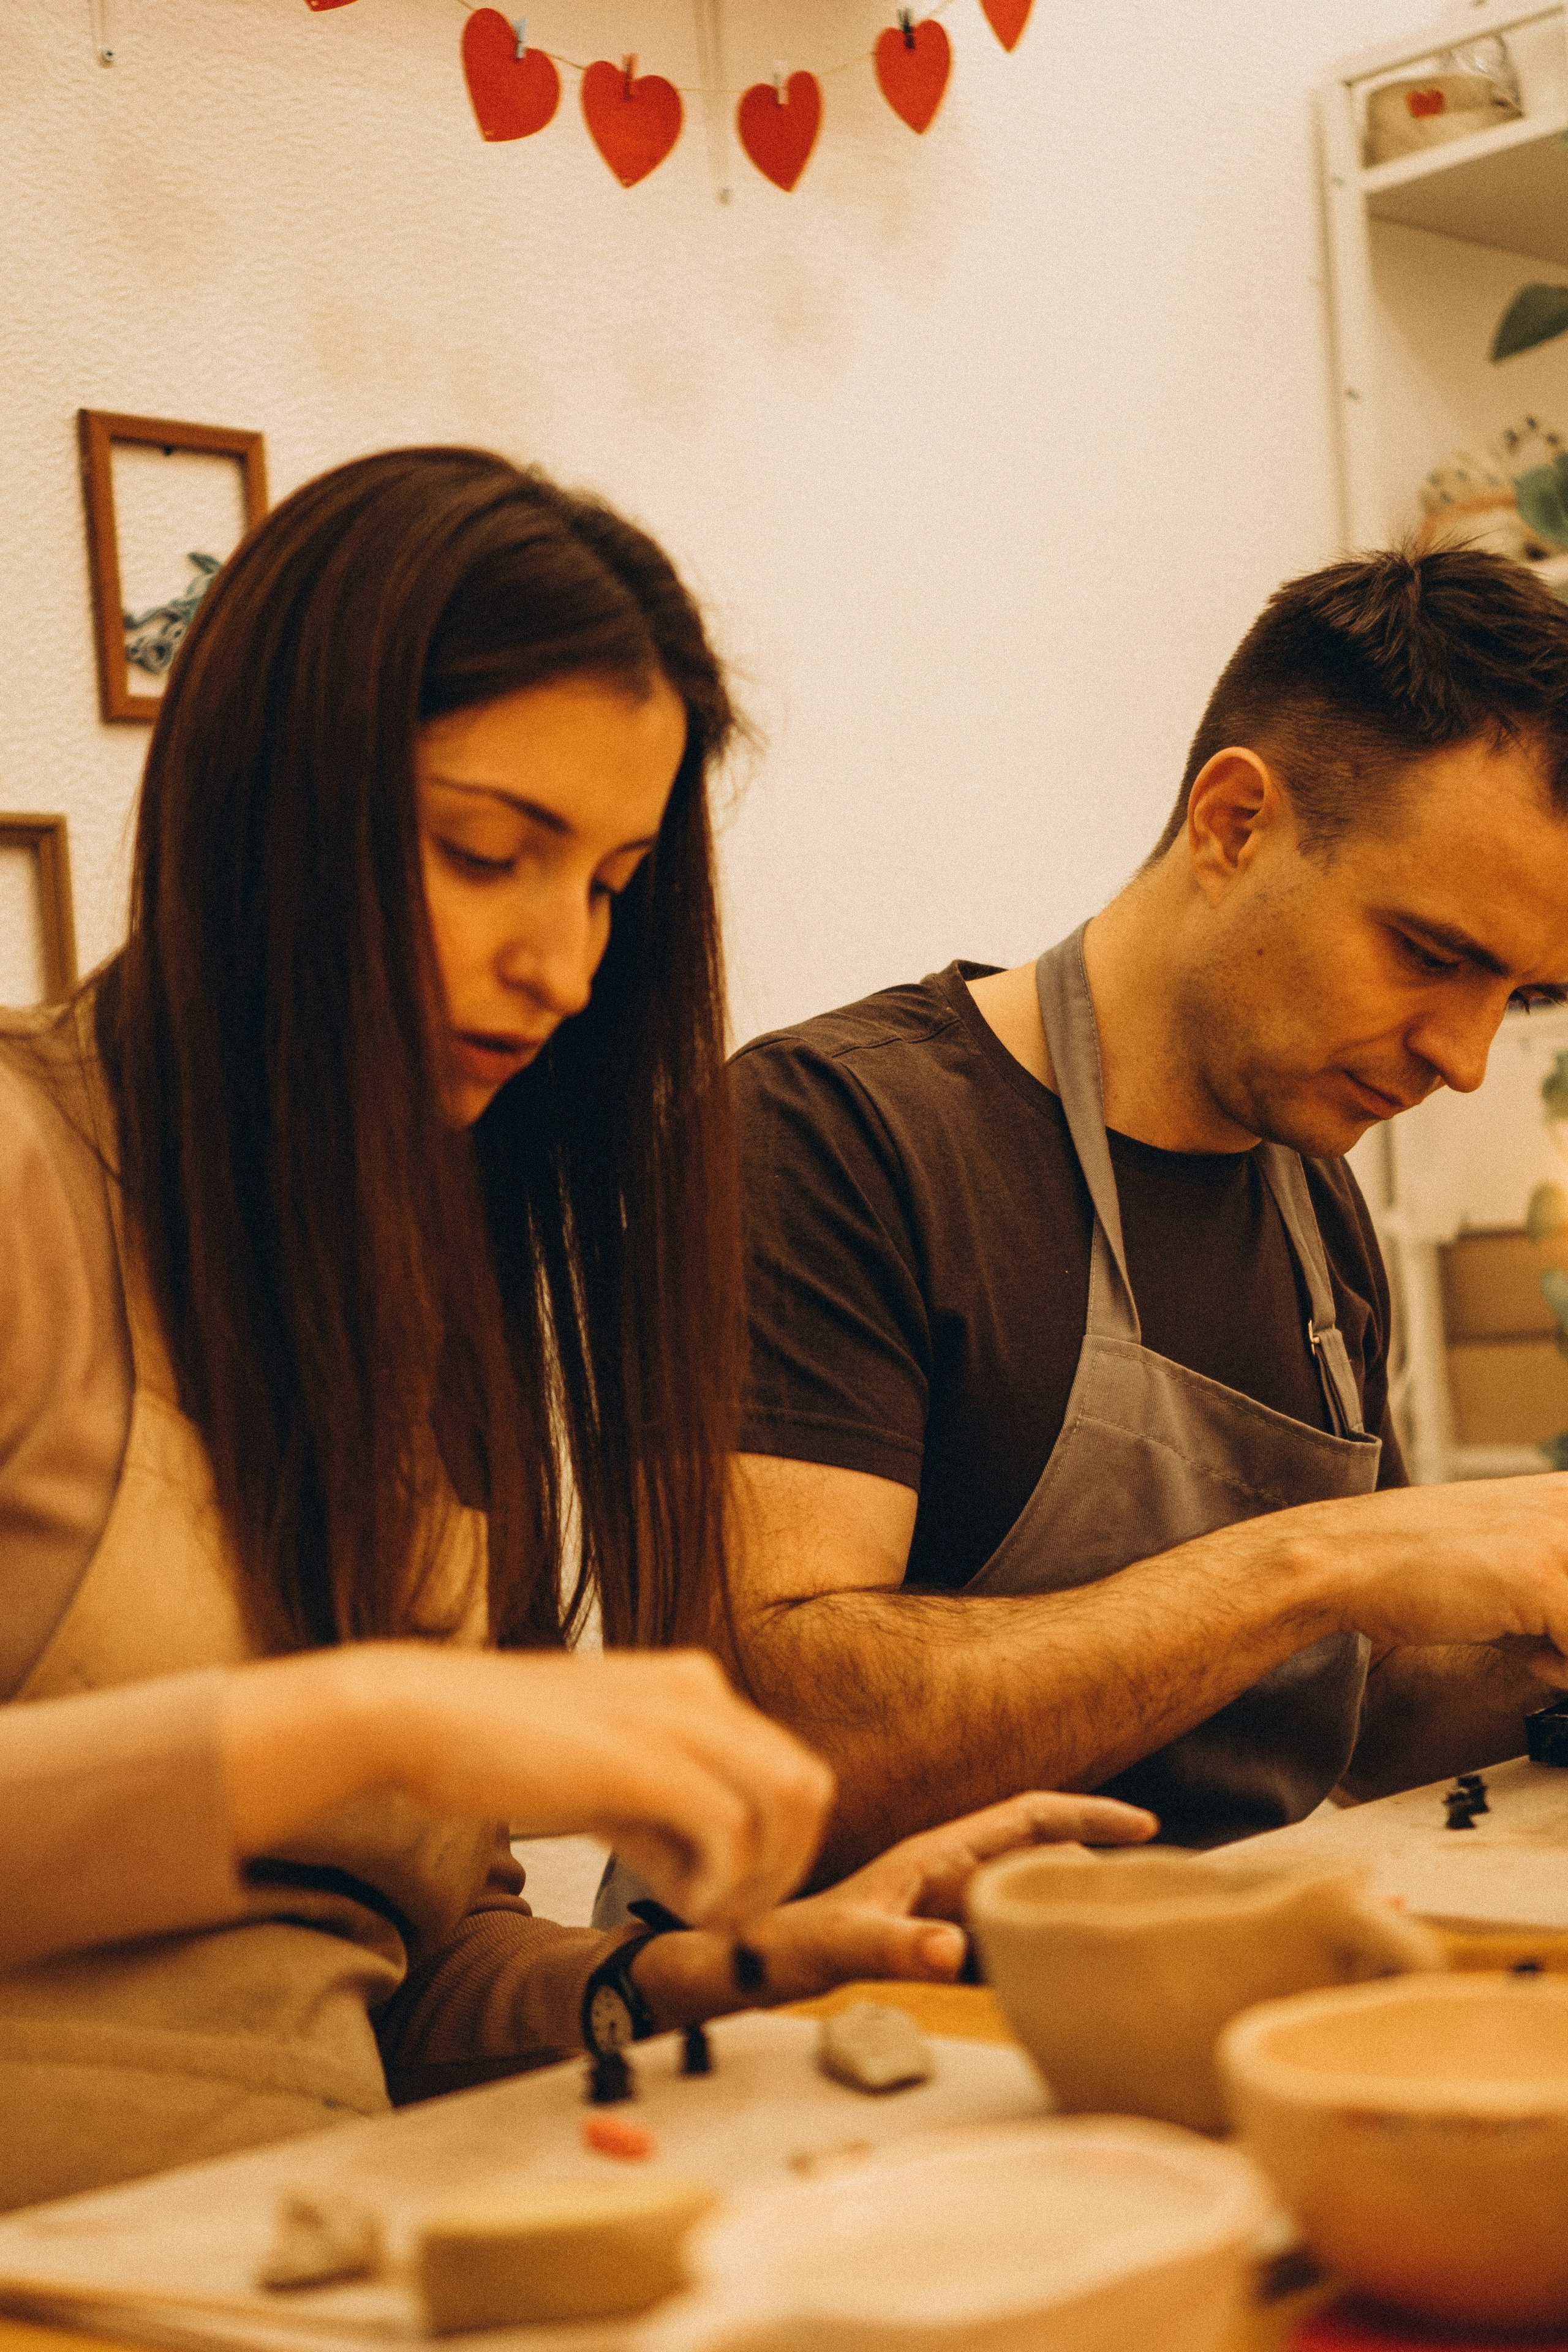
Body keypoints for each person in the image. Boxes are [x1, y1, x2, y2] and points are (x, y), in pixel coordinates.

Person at [0, 448, 1154, 2212]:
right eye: (487, 854)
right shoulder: (25, 1177)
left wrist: (722, 1967)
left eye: (611, 887)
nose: (564, 967)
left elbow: (409, 1978)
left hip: (303, 2250)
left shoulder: (412, 1310)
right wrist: (367, 1721)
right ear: (265, 809)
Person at [725, 545, 1568, 1880]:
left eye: (1515, 995)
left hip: (1199, 1986)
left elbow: (1371, 1718)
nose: (1461, 1058)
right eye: (1427, 955)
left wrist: (1531, 1629)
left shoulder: (1314, 1207)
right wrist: (1318, 1559)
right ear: (1231, 823)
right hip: (850, 2028)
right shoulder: (833, 1136)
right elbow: (780, 1743)